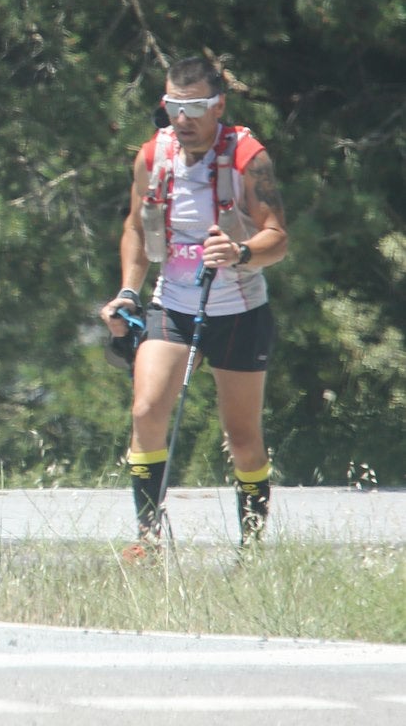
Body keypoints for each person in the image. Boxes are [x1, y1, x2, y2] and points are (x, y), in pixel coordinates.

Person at [101, 56, 288, 558]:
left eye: (197, 107)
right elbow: (136, 231)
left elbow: (278, 238)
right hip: (174, 305)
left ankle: (251, 550)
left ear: (219, 105)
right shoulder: (151, 157)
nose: (183, 118)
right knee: (145, 410)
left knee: (243, 437)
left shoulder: (249, 157)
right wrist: (127, 292)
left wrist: (242, 252)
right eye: (174, 106)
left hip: (239, 311)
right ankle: (148, 539)